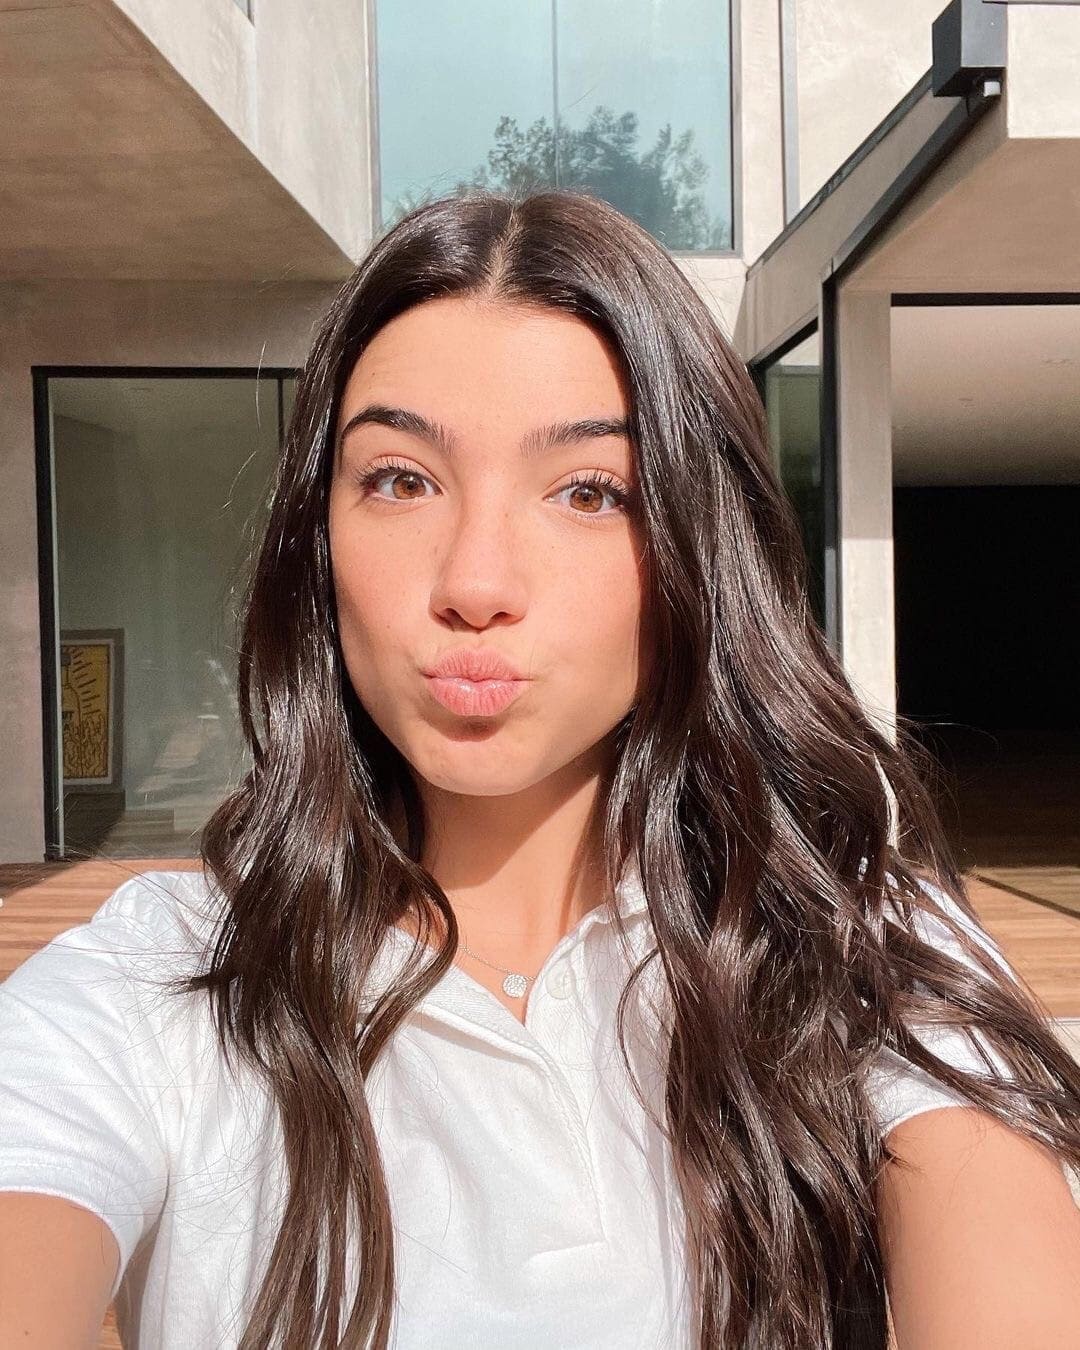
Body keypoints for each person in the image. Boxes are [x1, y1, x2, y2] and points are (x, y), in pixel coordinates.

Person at [1, 189, 1078, 1350]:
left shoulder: (853, 937)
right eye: (400, 479)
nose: (475, 581)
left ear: (697, 549)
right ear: (318, 540)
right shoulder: (155, 982)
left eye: (588, 491)